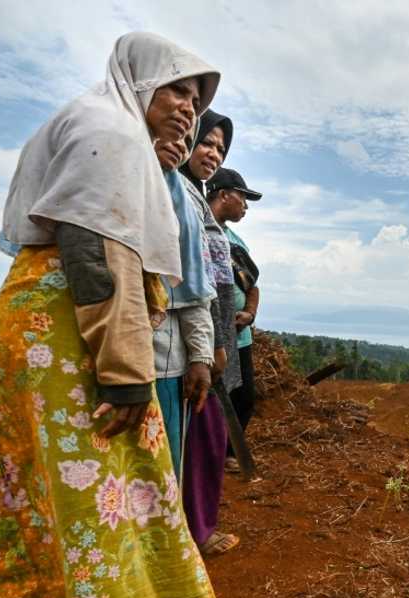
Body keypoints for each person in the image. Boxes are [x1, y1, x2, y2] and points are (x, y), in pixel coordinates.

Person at [0, 32, 223, 598]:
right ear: (140, 79)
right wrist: (123, 371)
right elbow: (95, 253)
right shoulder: (110, 132)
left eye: (198, 98)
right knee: (109, 479)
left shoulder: (86, 123)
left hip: (28, 325)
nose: (189, 108)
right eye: (178, 88)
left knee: (25, 480)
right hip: (69, 334)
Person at [177, 110, 240, 555]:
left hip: (204, 342)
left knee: (206, 440)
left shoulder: (191, 197)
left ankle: (194, 527)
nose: (213, 153)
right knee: (202, 442)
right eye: (207, 142)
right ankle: (195, 532)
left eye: (220, 147)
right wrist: (211, 347)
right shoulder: (175, 193)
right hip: (190, 347)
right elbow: (195, 285)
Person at [153, 128, 216, 479]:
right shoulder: (111, 168)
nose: (213, 154)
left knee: (158, 466)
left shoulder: (183, 197)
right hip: (97, 350)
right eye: (206, 142)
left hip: (159, 355)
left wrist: (202, 355)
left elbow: (195, 287)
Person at [205, 167, 261, 472]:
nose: (246, 205)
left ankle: (227, 451)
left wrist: (250, 313)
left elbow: (253, 287)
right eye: (243, 197)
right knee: (212, 397)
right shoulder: (199, 230)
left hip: (240, 336)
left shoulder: (237, 241)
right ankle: (207, 454)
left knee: (245, 397)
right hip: (210, 336)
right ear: (224, 195)